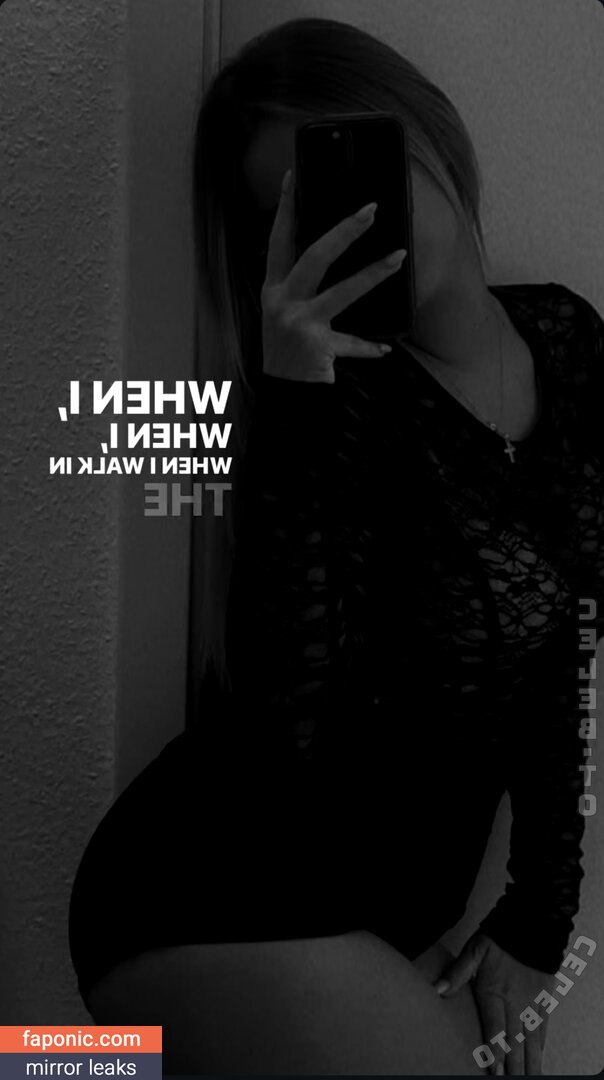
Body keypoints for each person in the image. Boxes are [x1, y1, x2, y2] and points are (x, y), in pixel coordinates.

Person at [68, 17, 604, 1075]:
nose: (356, 220)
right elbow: (286, 731)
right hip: (214, 890)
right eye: (307, 207)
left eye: (358, 165)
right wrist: (296, 392)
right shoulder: (330, 410)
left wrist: (542, 913)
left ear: (427, 126)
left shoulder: (568, 338)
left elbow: (566, 647)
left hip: (391, 910)